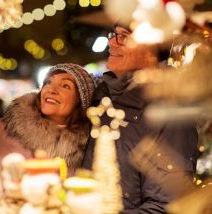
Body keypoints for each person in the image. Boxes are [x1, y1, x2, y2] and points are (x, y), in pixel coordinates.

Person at [81, 25, 199, 213]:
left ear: (153, 49)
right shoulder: (101, 96)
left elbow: (166, 205)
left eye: (124, 37)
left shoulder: (170, 109)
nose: (112, 42)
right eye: (114, 34)